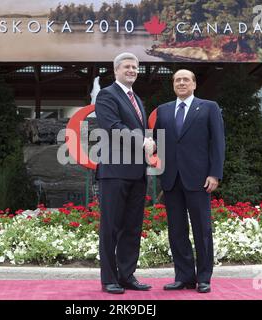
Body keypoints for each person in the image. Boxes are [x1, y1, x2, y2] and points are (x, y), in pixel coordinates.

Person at [153, 69, 225, 293]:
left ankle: (204, 278)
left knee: (202, 229)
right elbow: (158, 141)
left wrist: (215, 173)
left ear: (194, 84)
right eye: (177, 80)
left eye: (186, 79)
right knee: (176, 230)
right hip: (172, 180)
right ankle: (183, 277)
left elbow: (218, 142)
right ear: (173, 85)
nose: (181, 83)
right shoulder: (163, 110)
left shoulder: (209, 107)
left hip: (200, 179)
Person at [94, 52, 154, 294]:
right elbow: (113, 127)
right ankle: (109, 279)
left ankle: (127, 275)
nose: (132, 70)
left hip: (137, 174)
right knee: (111, 227)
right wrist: (142, 142)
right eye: (127, 66)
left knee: (132, 227)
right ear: (116, 70)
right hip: (114, 172)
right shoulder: (107, 95)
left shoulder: (136, 99)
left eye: (135, 67)